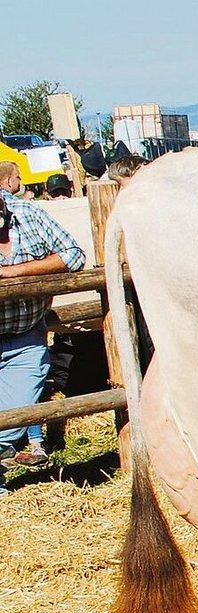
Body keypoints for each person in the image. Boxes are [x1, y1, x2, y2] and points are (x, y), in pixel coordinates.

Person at [0, 177, 87, 486]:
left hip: (24, 335)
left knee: (14, 416)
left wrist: (14, 273)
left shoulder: (27, 213)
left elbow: (74, 255)